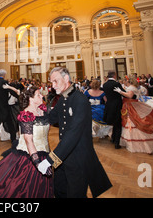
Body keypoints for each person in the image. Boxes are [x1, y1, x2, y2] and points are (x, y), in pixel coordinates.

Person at [38, 67, 112, 198]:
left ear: (66, 79)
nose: (53, 86)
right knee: (59, 189)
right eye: (51, 82)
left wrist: (50, 159)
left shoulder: (80, 100)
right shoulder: (64, 98)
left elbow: (73, 134)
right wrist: (32, 113)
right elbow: (52, 117)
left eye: (55, 81)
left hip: (78, 157)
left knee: (75, 194)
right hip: (64, 154)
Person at [114, 77, 153, 154]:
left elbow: (129, 96)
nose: (124, 82)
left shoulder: (131, 88)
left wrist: (120, 92)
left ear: (128, 81)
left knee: (136, 121)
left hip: (131, 106)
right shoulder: (132, 87)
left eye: (125, 80)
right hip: (131, 105)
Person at [0, 69, 17, 142]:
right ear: (4, 75)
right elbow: (11, 91)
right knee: (10, 122)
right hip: (4, 105)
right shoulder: (4, 82)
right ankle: (13, 138)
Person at [102, 71, 124, 149]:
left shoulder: (105, 84)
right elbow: (123, 93)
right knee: (118, 124)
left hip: (109, 105)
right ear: (114, 76)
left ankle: (113, 138)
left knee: (114, 123)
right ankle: (116, 143)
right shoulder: (116, 84)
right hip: (117, 105)